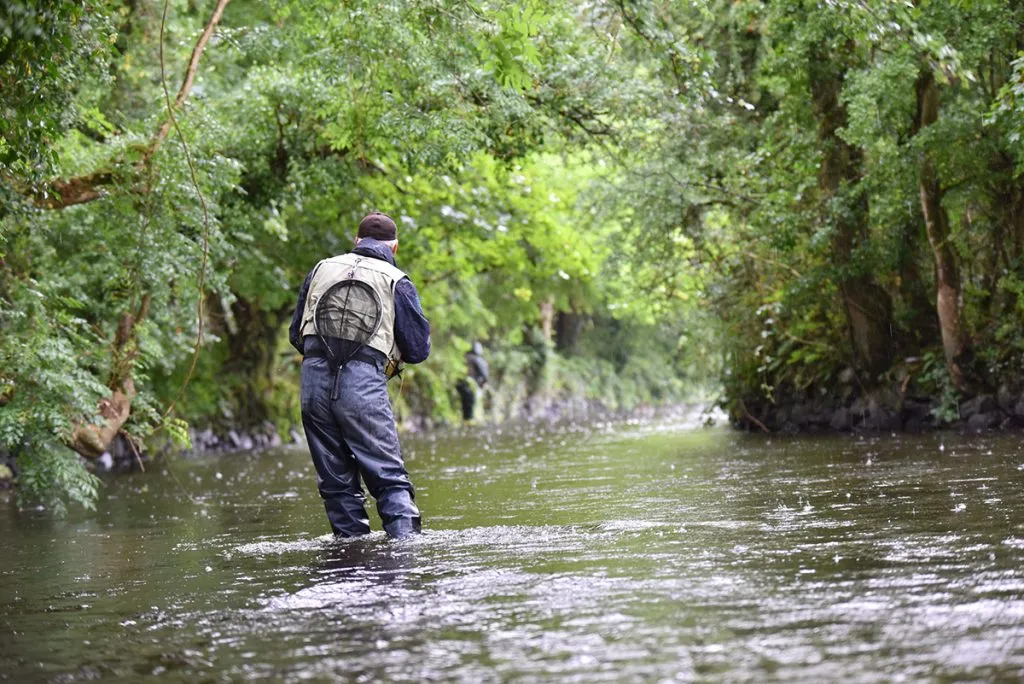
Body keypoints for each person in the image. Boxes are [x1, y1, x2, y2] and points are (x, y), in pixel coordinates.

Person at [288, 212, 430, 539]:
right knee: (389, 478)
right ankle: (407, 557)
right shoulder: (397, 280)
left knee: (336, 484)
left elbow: (297, 334)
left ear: (356, 241)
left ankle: (349, 559)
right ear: (393, 248)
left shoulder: (320, 269)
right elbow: (419, 350)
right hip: (363, 387)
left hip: (313, 385)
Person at [456, 342, 489, 422]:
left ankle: (466, 419)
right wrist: (484, 382)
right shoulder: (479, 360)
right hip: (474, 385)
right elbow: (484, 374)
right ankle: (472, 419)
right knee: (475, 403)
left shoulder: (466, 357)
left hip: (462, 383)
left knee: (466, 402)